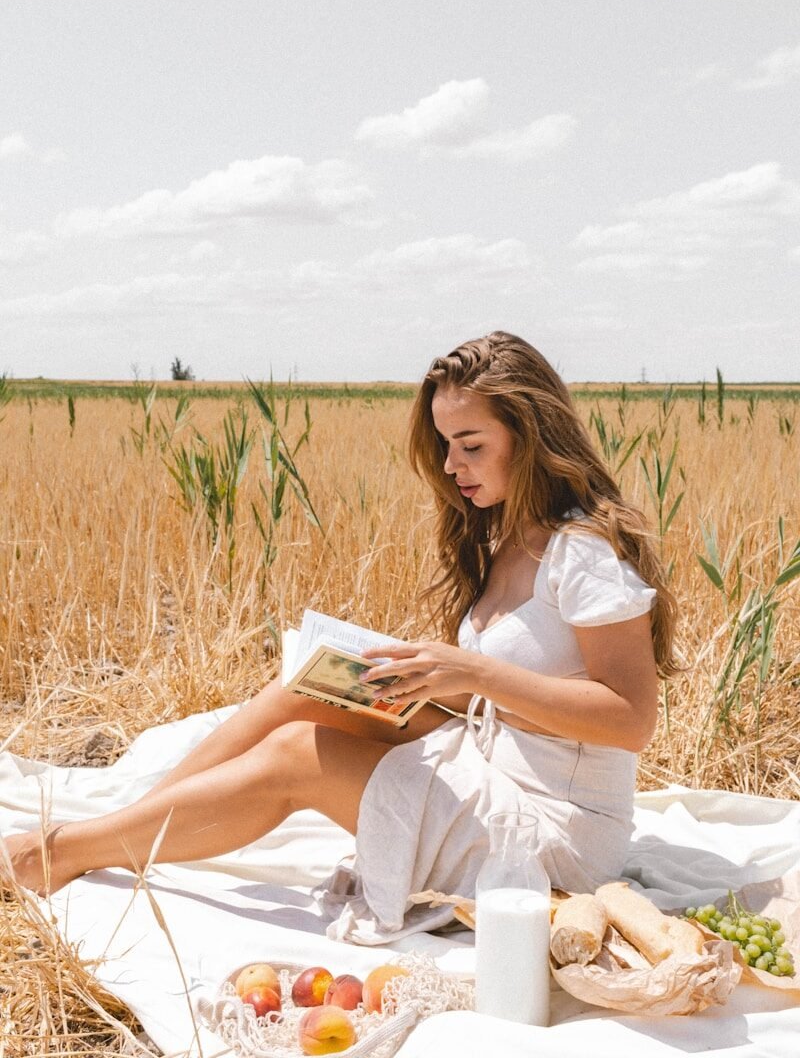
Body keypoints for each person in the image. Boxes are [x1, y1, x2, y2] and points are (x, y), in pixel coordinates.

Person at [6, 331, 677, 944]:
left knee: (303, 754)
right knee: (312, 690)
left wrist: (471, 673)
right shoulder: (507, 537)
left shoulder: (583, 553)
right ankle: (131, 825)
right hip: (491, 760)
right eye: (446, 445)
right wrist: (423, 671)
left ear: (529, 438)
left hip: (555, 838)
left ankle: (61, 853)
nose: (451, 465)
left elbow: (631, 720)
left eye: (472, 445)